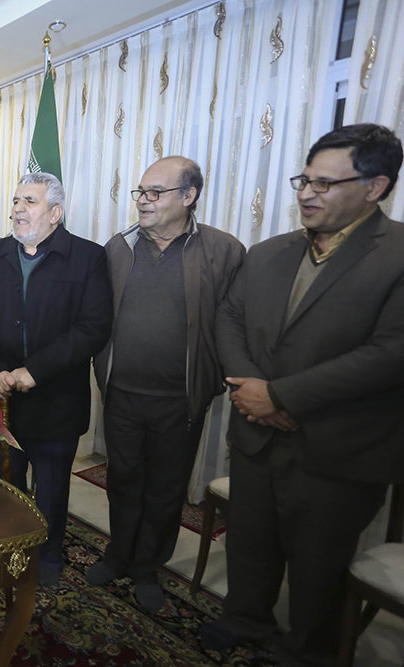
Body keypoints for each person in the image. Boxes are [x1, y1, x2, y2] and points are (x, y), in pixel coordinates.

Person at [202, 123, 404, 665]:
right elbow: (229, 319)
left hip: (339, 447)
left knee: (319, 562)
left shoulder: (398, 253)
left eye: (325, 184)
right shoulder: (270, 252)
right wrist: (251, 391)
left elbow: (390, 353)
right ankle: (245, 618)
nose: (308, 194)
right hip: (256, 434)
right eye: (304, 180)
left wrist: (283, 397)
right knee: (250, 541)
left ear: (376, 186)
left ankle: (310, 650)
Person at [88, 157, 245, 611]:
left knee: (165, 488)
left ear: (189, 196)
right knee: (123, 480)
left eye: (155, 192)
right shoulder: (118, 248)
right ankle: (119, 553)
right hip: (121, 394)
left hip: (181, 400)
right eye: (140, 192)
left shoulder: (223, 251)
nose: (143, 201)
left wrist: (219, 379)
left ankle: (147, 566)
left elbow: (236, 324)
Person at [0, 172, 113, 586]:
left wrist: (36, 371)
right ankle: (4, 548)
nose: (18, 209)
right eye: (16, 201)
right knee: (2, 484)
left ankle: (46, 557)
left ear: (55, 213)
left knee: (51, 489)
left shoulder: (88, 257)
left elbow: (93, 327)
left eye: (30, 201)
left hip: (56, 399)